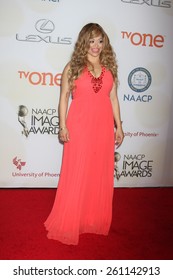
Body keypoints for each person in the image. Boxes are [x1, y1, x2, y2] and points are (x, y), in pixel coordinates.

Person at [44, 23, 124, 245]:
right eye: (91, 41)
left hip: (102, 127)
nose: (96, 46)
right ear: (84, 42)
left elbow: (114, 99)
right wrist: (63, 126)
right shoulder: (73, 67)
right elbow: (63, 98)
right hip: (79, 126)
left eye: (100, 41)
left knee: (98, 171)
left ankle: (92, 219)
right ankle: (72, 219)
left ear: (104, 42)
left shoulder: (110, 68)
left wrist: (119, 125)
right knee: (77, 170)